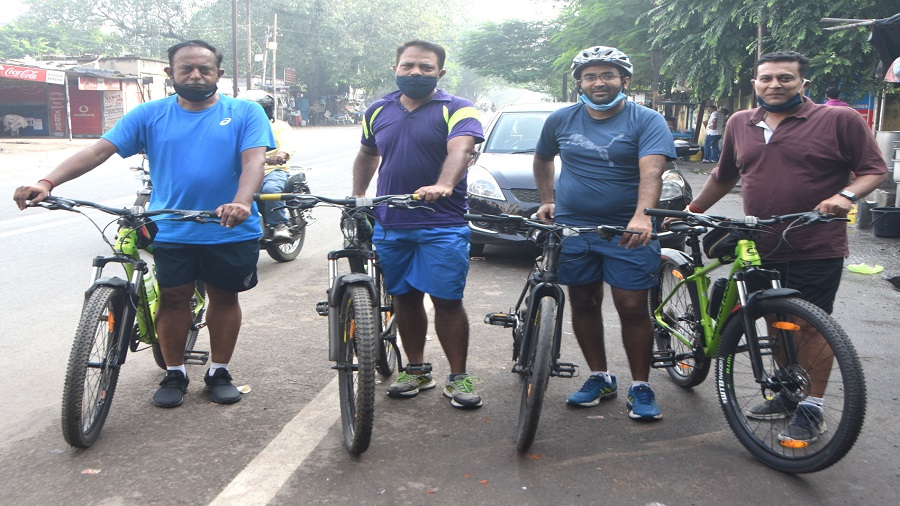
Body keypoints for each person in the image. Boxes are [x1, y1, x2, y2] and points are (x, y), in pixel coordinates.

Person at [13, 40, 275, 409]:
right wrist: (47, 182)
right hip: (171, 226)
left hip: (230, 226)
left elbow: (254, 163)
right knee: (172, 298)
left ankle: (219, 370)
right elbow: (97, 151)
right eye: (186, 69)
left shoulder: (246, 112)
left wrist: (241, 202)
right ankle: (175, 372)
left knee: (224, 297)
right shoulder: (150, 114)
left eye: (205, 69)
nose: (196, 75)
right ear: (170, 74)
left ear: (218, 73)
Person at [685, 51, 887, 442]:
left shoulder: (838, 119)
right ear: (754, 84)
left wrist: (845, 195)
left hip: (816, 243)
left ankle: (812, 409)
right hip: (759, 245)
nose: (774, 85)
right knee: (776, 326)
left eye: (785, 78)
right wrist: (691, 211)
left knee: (811, 328)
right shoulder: (740, 122)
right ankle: (789, 394)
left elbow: (874, 170)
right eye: (766, 79)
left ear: (803, 84)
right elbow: (723, 175)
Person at [533, 46, 676, 420]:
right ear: (580, 82)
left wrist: (643, 216)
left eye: (608, 75)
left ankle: (641, 384)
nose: (599, 82)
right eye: (590, 76)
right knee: (583, 301)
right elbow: (543, 157)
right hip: (574, 228)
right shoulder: (561, 119)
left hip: (628, 230)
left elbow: (651, 172)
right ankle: (600, 376)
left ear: (624, 81)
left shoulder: (646, 120)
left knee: (631, 306)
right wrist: (547, 199)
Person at [352, 39, 485, 409]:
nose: (416, 73)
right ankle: (416, 369)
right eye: (408, 66)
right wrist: (358, 194)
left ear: (440, 73)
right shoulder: (378, 110)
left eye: (426, 68)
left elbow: (461, 148)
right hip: (391, 222)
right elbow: (367, 153)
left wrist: (445, 184)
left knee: (447, 300)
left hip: (442, 222)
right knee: (404, 299)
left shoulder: (458, 108)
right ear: (395, 68)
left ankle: (458, 377)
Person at [237, 89, 296, 241]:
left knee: (270, 190)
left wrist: (281, 155)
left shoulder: (279, 127)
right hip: (244, 171)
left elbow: (287, 144)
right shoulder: (238, 128)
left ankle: (280, 224)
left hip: (272, 170)